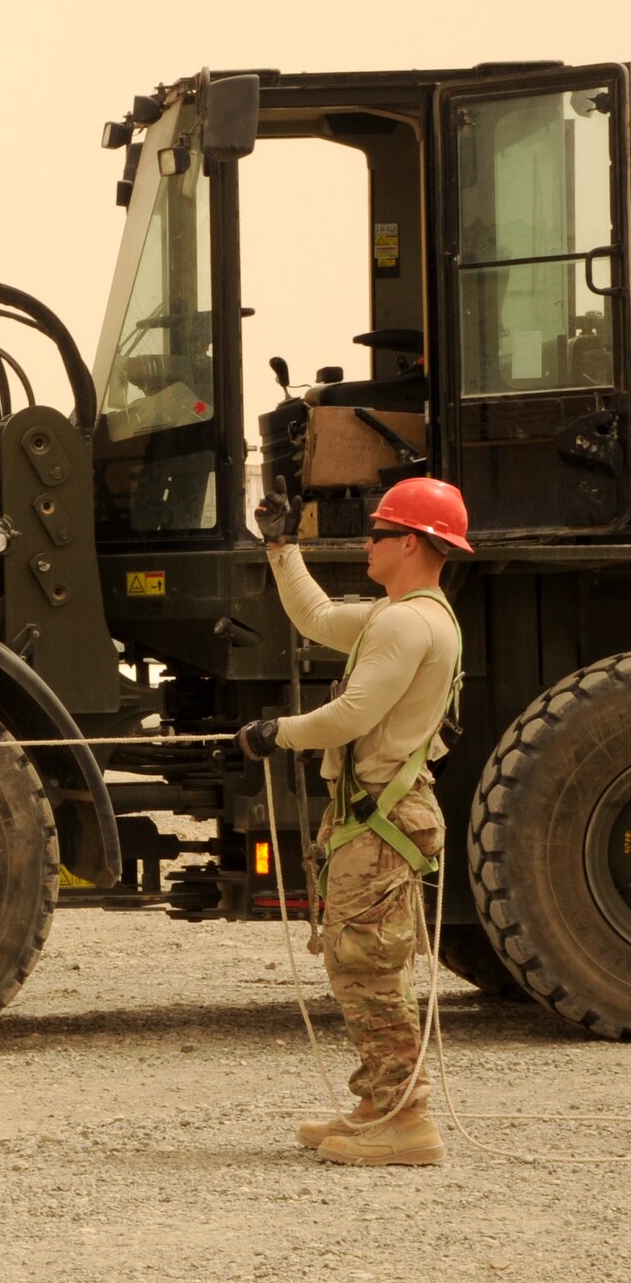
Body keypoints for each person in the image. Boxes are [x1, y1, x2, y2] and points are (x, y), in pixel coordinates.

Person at [238, 475, 470, 1166]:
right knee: (368, 964)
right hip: (381, 815)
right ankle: (381, 1103)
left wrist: (274, 733)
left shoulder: (404, 623)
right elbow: (313, 618)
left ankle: (405, 1119)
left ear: (411, 544)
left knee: (367, 969)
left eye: (378, 534)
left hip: (381, 816)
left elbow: (351, 716)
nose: (367, 543)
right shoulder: (405, 616)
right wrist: (282, 547)